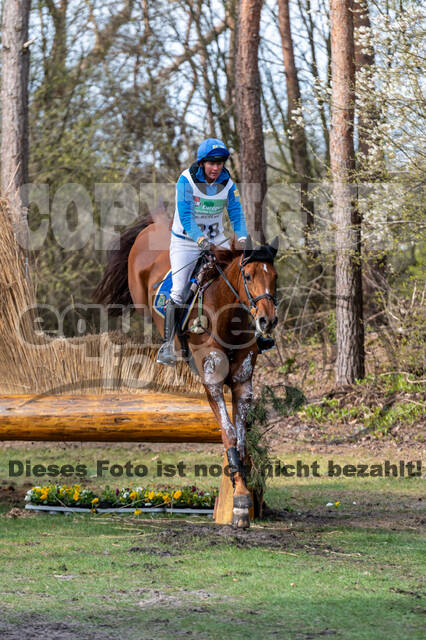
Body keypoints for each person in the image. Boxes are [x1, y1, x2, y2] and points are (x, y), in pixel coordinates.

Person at [157, 137, 273, 365]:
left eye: (220, 163)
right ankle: (167, 345)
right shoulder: (186, 180)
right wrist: (199, 239)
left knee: (245, 275)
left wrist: (241, 238)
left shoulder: (228, 183)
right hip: (186, 241)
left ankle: (259, 335)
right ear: (202, 163)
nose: (216, 167)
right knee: (179, 291)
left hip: (216, 238)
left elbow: (236, 214)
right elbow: (186, 215)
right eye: (211, 163)